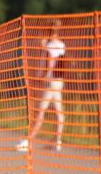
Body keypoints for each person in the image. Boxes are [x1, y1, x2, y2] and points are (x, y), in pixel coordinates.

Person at [18, 21, 67, 153]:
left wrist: (42, 77)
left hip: (50, 81)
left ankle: (28, 140)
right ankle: (57, 141)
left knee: (41, 111)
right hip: (58, 81)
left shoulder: (49, 47)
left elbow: (50, 62)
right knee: (59, 112)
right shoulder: (61, 45)